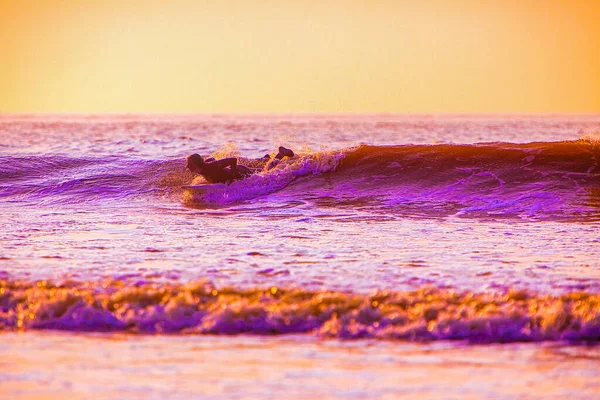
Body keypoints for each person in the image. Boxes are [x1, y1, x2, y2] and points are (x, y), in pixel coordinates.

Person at [186, 146, 294, 184]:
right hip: (238, 171)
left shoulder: (211, 167)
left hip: (241, 172)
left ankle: (281, 154)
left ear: (196, 163)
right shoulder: (204, 169)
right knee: (262, 169)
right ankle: (266, 158)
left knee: (266, 172)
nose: (187, 167)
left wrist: (233, 176)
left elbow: (233, 160)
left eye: (189, 164)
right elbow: (211, 159)